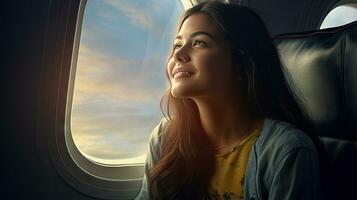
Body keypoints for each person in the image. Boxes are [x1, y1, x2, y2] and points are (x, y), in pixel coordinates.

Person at [135, 1, 323, 199]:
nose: (179, 55)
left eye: (199, 42)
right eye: (177, 45)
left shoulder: (287, 151)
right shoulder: (165, 137)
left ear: (242, 63)